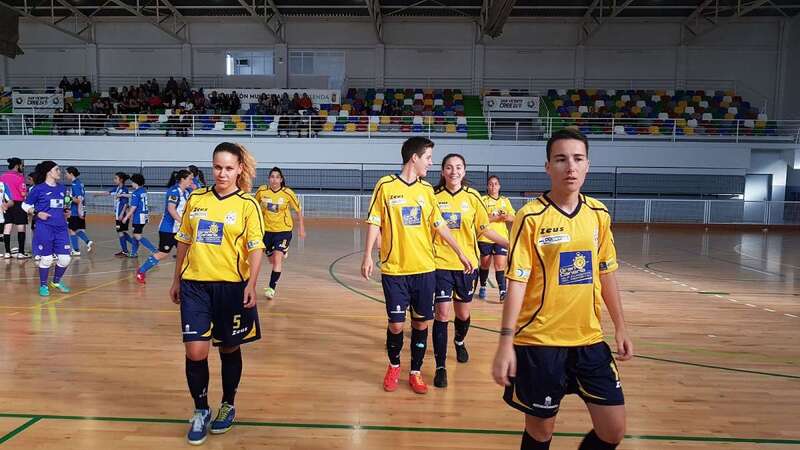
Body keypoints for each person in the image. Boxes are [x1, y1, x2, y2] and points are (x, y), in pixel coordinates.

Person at [492, 129, 633, 450]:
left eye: (577, 159)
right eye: (561, 159)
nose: (570, 166)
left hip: (590, 341)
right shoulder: (530, 217)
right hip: (539, 343)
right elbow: (516, 282)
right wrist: (504, 343)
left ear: (587, 165)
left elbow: (606, 272)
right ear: (548, 167)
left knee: (613, 430)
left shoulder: (598, 214)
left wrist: (621, 326)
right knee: (541, 432)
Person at [361, 136, 473, 395]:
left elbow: (440, 225)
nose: (431, 164)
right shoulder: (386, 186)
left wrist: (460, 252)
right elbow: (374, 221)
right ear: (415, 157)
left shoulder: (426, 191)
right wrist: (367, 255)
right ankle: (394, 365)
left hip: (425, 270)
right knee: (397, 325)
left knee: (422, 323)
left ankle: (415, 372)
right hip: (395, 270)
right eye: (428, 158)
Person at [170, 142, 265, 445]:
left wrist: (251, 284)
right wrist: (176, 280)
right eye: (217, 167)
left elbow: (256, 248)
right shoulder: (196, 199)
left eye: (228, 168)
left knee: (228, 349)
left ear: (239, 169)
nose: (221, 173)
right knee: (195, 351)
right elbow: (184, 240)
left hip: (231, 288)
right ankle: (200, 410)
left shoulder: (247, 205)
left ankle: (228, 403)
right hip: (194, 285)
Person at [431, 154, 508, 388]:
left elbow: (484, 230)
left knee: (462, 315)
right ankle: (440, 367)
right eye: (449, 167)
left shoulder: (474, 198)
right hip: (440, 264)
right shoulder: (432, 196)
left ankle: (460, 340)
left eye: (458, 167)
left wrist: (510, 244)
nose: (454, 171)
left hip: (467, 266)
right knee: (442, 315)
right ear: (443, 171)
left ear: (464, 171)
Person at [21, 161, 72, 297]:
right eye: (57, 169)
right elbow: (25, 205)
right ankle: (43, 284)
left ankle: (56, 282)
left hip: (61, 228)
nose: (59, 172)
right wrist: (37, 213)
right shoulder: (38, 189)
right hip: (44, 228)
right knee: (47, 259)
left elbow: (61, 206)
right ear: (49, 172)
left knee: (65, 259)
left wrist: (66, 212)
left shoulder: (62, 188)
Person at [253, 167, 305, 299]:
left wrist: (301, 228)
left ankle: (271, 288)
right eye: (272, 176)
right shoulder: (262, 191)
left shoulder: (287, 193)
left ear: (281, 179)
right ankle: (282, 251)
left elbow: (298, 210)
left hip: (283, 231)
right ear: (268, 179)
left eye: (277, 177)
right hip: (266, 232)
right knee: (271, 260)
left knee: (277, 259)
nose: (274, 179)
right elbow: (253, 206)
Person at [135, 170, 191, 283]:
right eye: (190, 178)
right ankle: (141, 271)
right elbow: (171, 209)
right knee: (163, 254)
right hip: (168, 229)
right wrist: (183, 222)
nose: (191, 181)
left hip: (180, 229)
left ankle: (188, 279)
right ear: (182, 179)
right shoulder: (174, 192)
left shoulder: (186, 192)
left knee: (189, 253)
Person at [478, 175, 516, 301]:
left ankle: (502, 292)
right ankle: (482, 286)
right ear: (487, 186)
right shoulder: (483, 200)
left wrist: (506, 217)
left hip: (501, 238)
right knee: (485, 264)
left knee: (500, 265)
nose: (493, 186)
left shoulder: (505, 201)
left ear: (499, 186)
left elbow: (514, 218)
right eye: (490, 184)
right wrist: (495, 218)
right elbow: (480, 220)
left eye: (495, 184)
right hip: (485, 237)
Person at [95, 172, 133, 256]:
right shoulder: (117, 189)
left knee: (120, 232)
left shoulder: (124, 189)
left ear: (121, 180)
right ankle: (127, 248)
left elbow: (126, 204)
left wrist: (121, 214)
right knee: (121, 231)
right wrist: (97, 194)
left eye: (116, 178)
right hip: (118, 214)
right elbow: (108, 193)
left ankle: (130, 247)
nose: (114, 180)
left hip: (121, 214)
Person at [120, 174, 157, 258]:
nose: (131, 184)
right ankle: (133, 253)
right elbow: (133, 196)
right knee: (135, 234)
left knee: (137, 235)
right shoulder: (143, 190)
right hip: (145, 215)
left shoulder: (136, 193)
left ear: (136, 183)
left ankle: (154, 250)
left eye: (132, 182)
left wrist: (126, 217)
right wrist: (123, 195)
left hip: (138, 217)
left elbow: (133, 207)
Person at [1, 158, 30, 259]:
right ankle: (21, 252)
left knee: (7, 227)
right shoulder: (20, 177)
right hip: (18, 204)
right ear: (17, 165)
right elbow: (23, 193)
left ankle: (7, 252)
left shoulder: (2, 176)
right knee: (21, 227)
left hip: (6, 203)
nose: (22, 167)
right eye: (22, 165)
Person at [65, 167, 94, 256]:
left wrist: (68, 197)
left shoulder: (74, 184)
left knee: (72, 230)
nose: (65, 175)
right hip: (79, 211)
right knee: (76, 229)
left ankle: (76, 250)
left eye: (66, 173)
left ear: (71, 174)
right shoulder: (79, 183)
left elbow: (78, 200)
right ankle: (88, 241)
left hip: (75, 211)